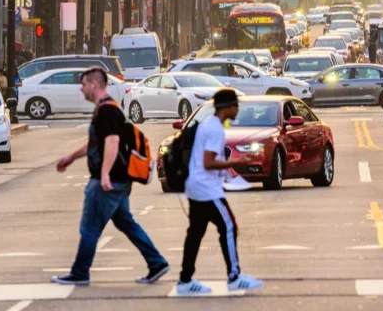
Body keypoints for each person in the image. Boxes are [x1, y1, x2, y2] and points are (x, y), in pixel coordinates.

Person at [51, 68, 168, 287]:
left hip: (108, 181)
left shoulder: (107, 111)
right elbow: (98, 144)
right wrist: (71, 157)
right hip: (119, 180)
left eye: (84, 84)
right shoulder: (107, 110)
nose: (81, 88)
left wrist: (104, 174)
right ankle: (157, 262)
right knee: (126, 223)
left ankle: (80, 273)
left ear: (94, 85)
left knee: (90, 227)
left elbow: (112, 143)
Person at [176, 88, 263, 295]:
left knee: (195, 233)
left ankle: (185, 280)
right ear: (227, 107)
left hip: (196, 186)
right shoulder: (215, 128)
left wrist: (228, 171)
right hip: (207, 190)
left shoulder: (209, 123)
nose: (238, 109)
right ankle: (234, 277)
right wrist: (238, 161)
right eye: (236, 106)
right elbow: (208, 162)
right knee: (229, 227)